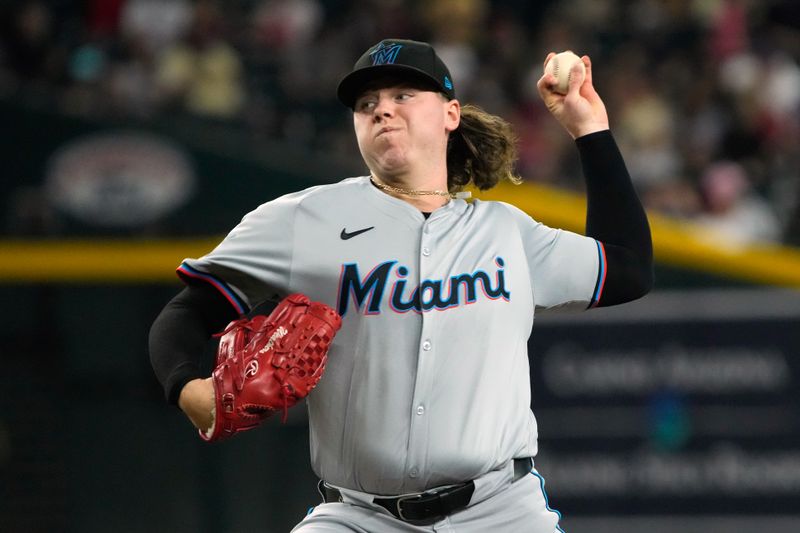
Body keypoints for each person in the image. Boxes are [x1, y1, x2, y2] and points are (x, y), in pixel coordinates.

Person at [149, 38, 653, 532]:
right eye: (367, 103)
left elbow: (627, 268)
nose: (382, 110)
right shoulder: (303, 220)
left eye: (403, 96)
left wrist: (590, 130)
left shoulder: (507, 233)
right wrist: (190, 390)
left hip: (502, 511)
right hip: (358, 516)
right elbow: (187, 313)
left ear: (450, 114)